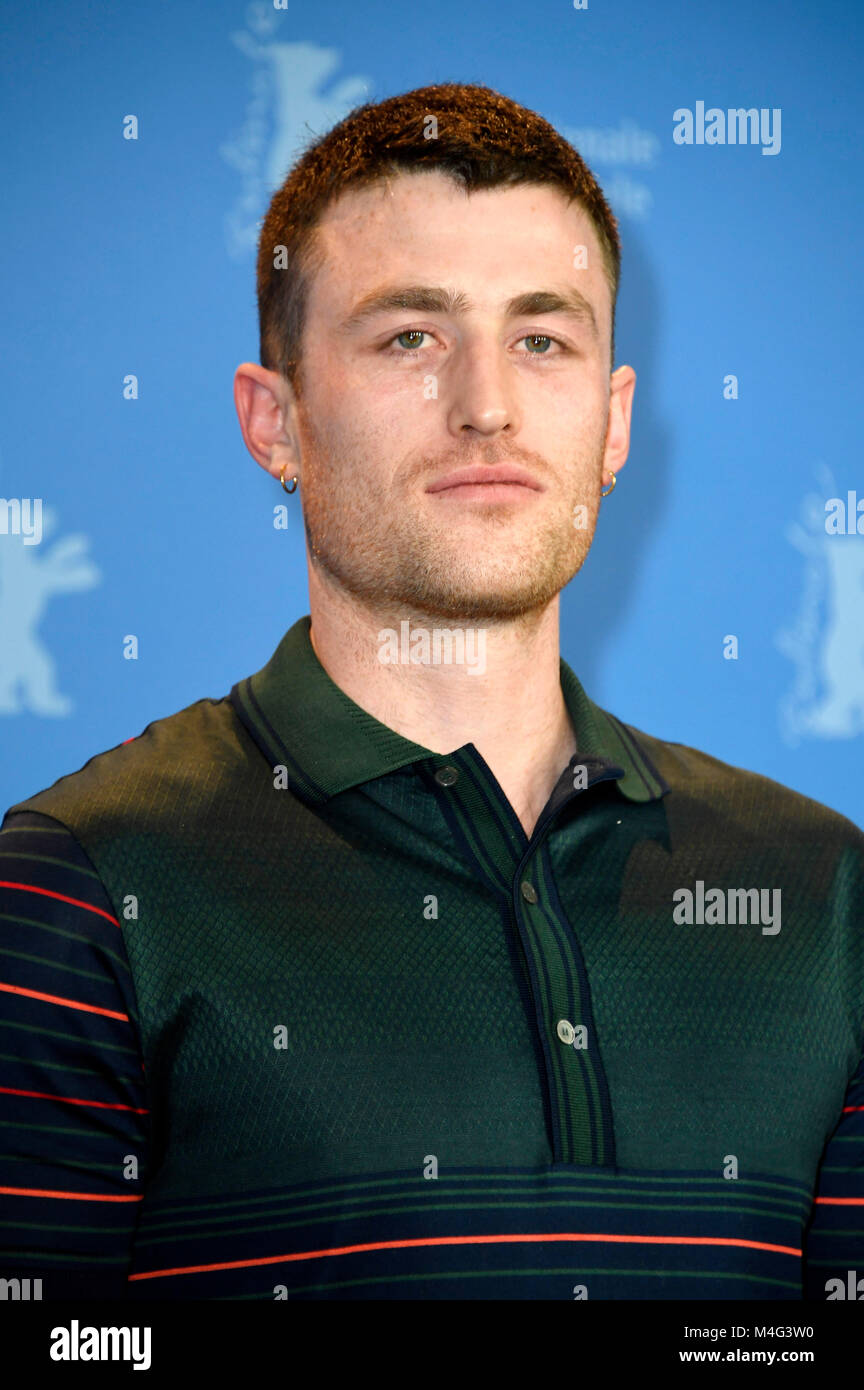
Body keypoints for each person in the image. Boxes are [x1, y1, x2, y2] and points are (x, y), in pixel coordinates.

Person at [1, 82, 861, 1302]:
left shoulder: (825, 894)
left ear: (615, 424)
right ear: (275, 419)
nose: (487, 405)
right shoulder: (76, 888)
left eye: (543, 338)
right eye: (410, 336)